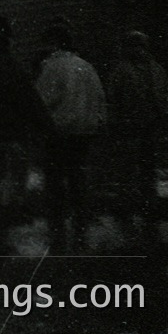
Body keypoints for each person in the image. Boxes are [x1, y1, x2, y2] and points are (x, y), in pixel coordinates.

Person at [0, 15, 52, 252]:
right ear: (8, 39)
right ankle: (0, 226)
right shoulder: (15, 68)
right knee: (14, 181)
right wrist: (46, 125)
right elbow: (31, 101)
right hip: (14, 133)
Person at [34, 18, 107, 252]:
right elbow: (99, 99)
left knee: (55, 181)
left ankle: (57, 230)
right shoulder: (86, 66)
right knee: (77, 178)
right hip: (84, 132)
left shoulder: (52, 67)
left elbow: (43, 100)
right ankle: (80, 223)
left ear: (54, 43)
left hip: (59, 131)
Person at [107, 29, 168, 245]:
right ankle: (140, 205)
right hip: (137, 125)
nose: (138, 50)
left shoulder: (134, 69)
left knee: (139, 166)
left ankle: (137, 205)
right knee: (138, 166)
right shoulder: (150, 69)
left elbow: (114, 98)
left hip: (142, 125)